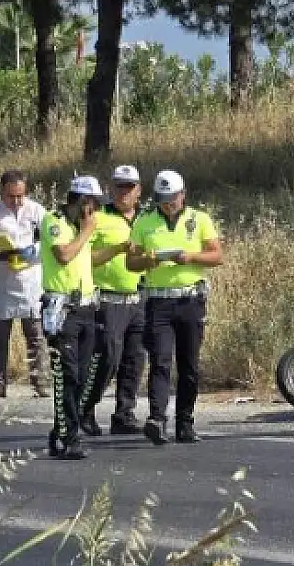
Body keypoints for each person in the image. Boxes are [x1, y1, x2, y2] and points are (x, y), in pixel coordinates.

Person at [127, 170, 223, 446]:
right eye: (163, 198)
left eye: (172, 198)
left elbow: (217, 255)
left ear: (183, 195)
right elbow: (131, 262)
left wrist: (190, 257)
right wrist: (148, 260)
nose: (168, 204)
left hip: (190, 300)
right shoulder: (144, 221)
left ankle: (185, 422)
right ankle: (157, 419)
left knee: (189, 364)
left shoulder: (199, 219)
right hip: (159, 302)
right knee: (160, 360)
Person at [40, 176, 103, 460]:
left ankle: (61, 431)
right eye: (93, 204)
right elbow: (64, 255)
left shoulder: (81, 228)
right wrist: (87, 231)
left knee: (84, 375)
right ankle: (69, 438)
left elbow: (85, 258)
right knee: (67, 375)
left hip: (86, 307)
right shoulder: (54, 221)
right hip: (62, 309)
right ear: (81, 201)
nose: (95, 211)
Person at [81, 164, 145, 437]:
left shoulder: (147, 218)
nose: (124, 192)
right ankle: (86, 408)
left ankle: (124, 414)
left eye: (129, 187)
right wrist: (116, 249)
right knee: (107, 358)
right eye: (119, 186)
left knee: (135, 359)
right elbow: (86, 257)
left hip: (140, 297)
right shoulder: (98, 217)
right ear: (110, 188)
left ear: (139, 190)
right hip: (107, 298)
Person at [0, 168, 51, 400]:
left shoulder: (37, 211)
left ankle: (40, 382)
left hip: (31, 279)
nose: (16, 201)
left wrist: (33, 251)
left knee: (35, 334)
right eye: (11, 196)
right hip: (2, 279)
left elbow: (50, 241)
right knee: (0, 335)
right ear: (2, 192)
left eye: (20, 196)